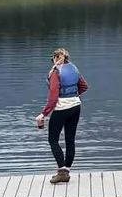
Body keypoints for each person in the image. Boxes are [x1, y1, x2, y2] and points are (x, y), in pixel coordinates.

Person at [35, 47, 86, 182]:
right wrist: (72, 96)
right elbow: (84, 86)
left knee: (53, 140)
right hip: (76, 106)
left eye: (53, 60)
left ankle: (62, 171)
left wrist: (43, 114)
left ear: (56, 59)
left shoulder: (55, 72)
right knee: (70, 140)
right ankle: (66, 171)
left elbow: (53, 97)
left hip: (61, 109)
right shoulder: (74, 69)